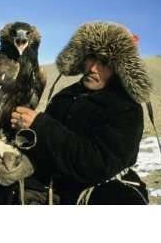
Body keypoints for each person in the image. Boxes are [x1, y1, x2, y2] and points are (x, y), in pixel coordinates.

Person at [9, 22, 152, 205]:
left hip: (104, 192)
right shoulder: (65, 96)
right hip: (54, 188)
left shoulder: (126, 108)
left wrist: (41, 126)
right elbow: (47, 150)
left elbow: (97, 165)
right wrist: (24, 133)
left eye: (105, 63)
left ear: (119, 68)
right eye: (91, 58)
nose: (93, 68)